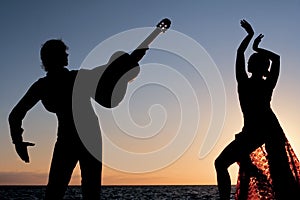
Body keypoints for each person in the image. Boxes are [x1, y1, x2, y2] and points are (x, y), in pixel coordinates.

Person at [8, 39, 147, 199]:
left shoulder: (45, 85)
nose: (67, 55)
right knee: (74, 190)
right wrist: (17, 141)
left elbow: (15, 115)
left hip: (76, 139)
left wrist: (17, 142)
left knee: (64, 190)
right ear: (56, 57)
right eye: (64, 53)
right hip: (77, 139)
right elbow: (114, 67)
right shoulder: (74, 78)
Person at [214, 20, 300, 199]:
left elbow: (275, 58)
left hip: (264, 130)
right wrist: (252, 41)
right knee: (228, 164)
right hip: (256, 131)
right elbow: (244, 54)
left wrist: (253, 42)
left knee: (223, 163)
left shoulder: (257, 83)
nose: (248, 62)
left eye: (252, 60)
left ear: (259, 66)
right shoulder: (254, 83)